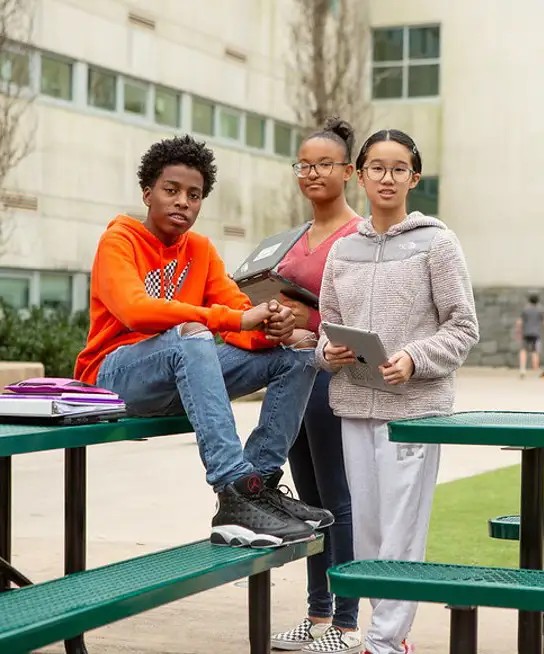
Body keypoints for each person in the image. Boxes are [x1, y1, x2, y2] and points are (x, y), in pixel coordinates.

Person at [74, 134, 335, 549]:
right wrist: (232, 318)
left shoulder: (201, 249)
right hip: (112, 379)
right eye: (171, 190)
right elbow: (136, 311)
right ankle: (234, 490)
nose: (183, 202)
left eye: (193, 195)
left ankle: (260, 486)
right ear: (148, 193)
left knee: (300, 349)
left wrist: (273, 327)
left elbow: (238, 319)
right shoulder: (118, 241)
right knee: (189, 336)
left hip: (182, 373)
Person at [315, 129, 479, 654]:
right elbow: (327, 325)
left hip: (414, 411)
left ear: (414, 177)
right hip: (354, 407)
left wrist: (414, 358)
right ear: (359, 175)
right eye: (377, 168)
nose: (387, 178)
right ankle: (386, 638)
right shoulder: (343, 251)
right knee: (366, 530)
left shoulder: (438, 242)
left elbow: (462, 327)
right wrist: (327, 353)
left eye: (399, 168)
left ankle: (385, 643)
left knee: (401, 529)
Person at [271, 117, 361, 654]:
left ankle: (348, 624)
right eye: (303, 164)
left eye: (324, 163)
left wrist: (309, 325)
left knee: (338, 498)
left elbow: (357, 311)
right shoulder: (295, 238)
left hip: (332, 379)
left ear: (348, 171)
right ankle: (316, 613)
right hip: (291, 379)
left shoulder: (360, 235)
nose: (312, 173)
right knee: (307, 501)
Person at [515, 294, 544, 378]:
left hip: (526, 333)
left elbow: (519, 322)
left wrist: (518, 332)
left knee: (523, 350)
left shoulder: (525, 310)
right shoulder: (540, 310)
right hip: (536, 333)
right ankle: (535, 369)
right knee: (535, 351)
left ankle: (522, 368)